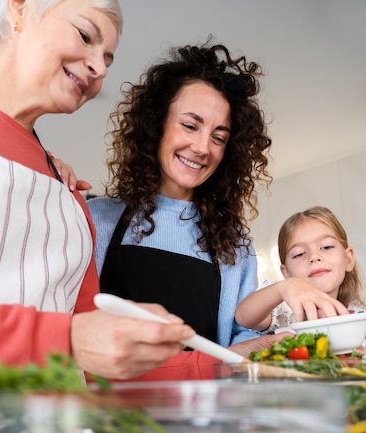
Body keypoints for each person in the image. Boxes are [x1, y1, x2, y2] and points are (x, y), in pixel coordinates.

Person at [0, 0, 200, 381]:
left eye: (107, 59)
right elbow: (74, 339)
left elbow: (92, 355)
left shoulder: (69, 195)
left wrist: (232, 362)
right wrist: (63, 340)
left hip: (58, 431)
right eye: (85, 36)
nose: (99, 69)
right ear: (19, 9)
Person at [88, 41, 276, 379]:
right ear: (157, 125)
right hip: (107, 420)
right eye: (190, 125)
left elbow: (246, 340)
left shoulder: (234, 246)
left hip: (201, 421)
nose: (203, 147)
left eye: (219, 137)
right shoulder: (97, 220)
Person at [235, 206, 366, 333]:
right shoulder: (282, 309)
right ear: (286, 273)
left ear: (348, 259)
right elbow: (243, 317)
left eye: (326, 247)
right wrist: (282, 288)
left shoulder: (357, 316)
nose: (314, 257)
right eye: (299, 254)